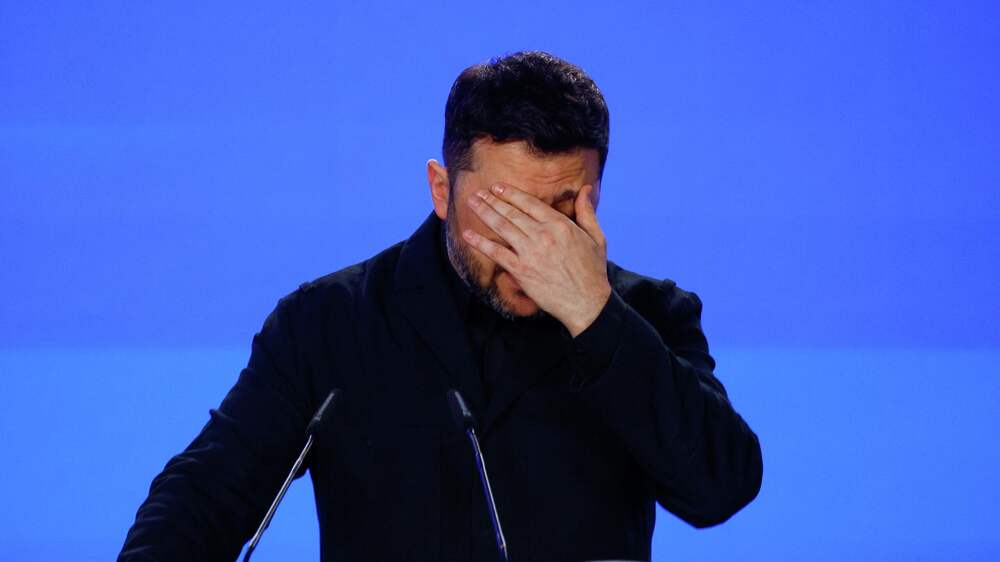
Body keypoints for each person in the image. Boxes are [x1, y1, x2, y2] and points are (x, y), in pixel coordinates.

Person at [118, 50, 763, 562]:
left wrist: (594, 314)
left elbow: (720, 489)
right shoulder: (328, 322)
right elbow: (202, 500)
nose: (532, 246)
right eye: (507, 211)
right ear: (441, 189)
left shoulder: (650, 315)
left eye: (565, 210)